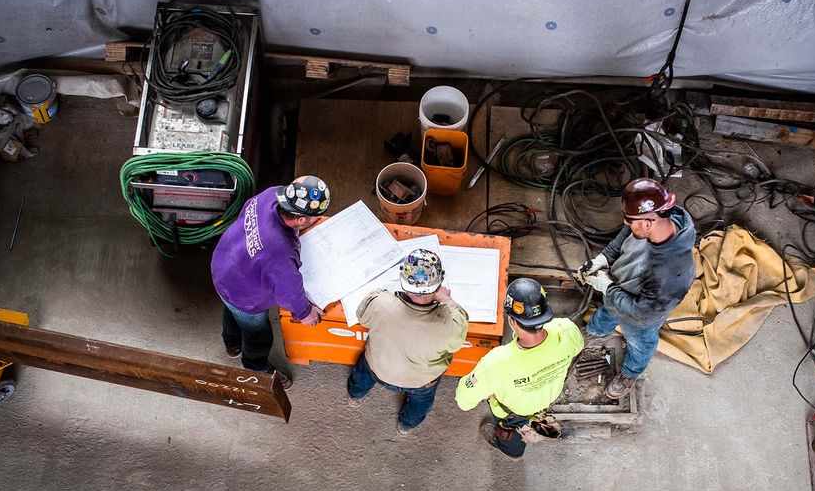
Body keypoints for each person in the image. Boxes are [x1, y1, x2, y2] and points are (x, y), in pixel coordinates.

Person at [579, 177, 695, 400]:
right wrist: (604, 258)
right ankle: (596, 332)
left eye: (630, 221)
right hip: (620, 290)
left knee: (641, 343)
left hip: (640, 316)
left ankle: (629, 374)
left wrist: (608, 286)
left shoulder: (671, 273)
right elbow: (628, 234)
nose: (625, 224)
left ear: (649, 222)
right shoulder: (659, 221)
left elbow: (640, 311)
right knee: (608, 310)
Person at [210, 175, 330, 389]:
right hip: (246, 295)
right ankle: (255, 366)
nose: (317, 220)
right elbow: (288, 292)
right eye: (315, 218)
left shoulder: (271, 194)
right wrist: (305, 313)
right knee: (258, 335)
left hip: (223, 268)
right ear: (301, 220)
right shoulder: (280, 250)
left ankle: (232, 345)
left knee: (231, 311)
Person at [455, 278, 583, 459]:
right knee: (522, 425)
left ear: (512, 322)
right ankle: (515, 447)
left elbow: (463, 400)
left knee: (510, 432)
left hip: (511, 412)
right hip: (544, 399)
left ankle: (511, 449)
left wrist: (484, 383)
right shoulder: (567, 331)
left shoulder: (497, 362)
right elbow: (576, 345)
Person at [347, 249, 469, 435]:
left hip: (377, 368)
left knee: (361, 376)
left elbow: (362, 316)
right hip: (421, 382)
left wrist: (384, 293)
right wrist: (447, 300)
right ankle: (405, 427)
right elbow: (455, 344)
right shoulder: (449, 323)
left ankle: (354, 397)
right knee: (420, 406)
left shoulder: (380, 303)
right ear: (438, 286)